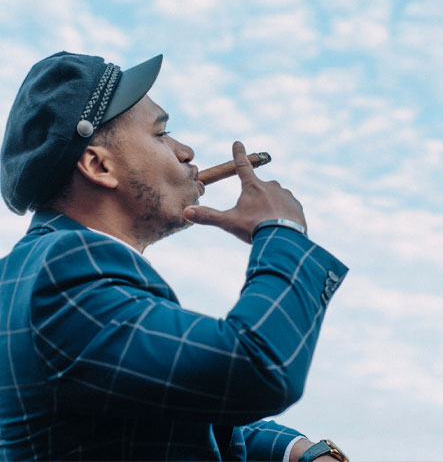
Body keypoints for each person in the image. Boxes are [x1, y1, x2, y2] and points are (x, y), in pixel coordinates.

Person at [0, 52, 350, 462]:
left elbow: (159, 404)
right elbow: (255, 368)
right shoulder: (64, 273)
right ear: (98, 165)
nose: (185, 152)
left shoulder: (35, 271)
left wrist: (297, 451)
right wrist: (282, 232)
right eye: (161, 135)